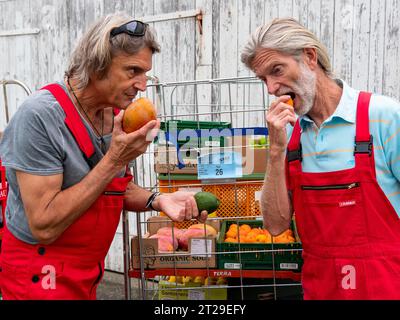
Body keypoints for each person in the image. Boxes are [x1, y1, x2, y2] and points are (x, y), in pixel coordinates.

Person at [0, 14, 208, 300]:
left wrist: (158, 200)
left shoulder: (115, 115)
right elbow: (44, 224)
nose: (143, 85)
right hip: (39, 272)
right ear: (97, 64)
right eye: (132, 71)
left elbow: (115, 187)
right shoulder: (40, 117)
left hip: (86, 274)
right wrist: (114, 158)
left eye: (145, 73)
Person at [241, 18, 400, 300]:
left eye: (276, 70)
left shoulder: (383, 117)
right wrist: (276, 151)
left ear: (309, 57)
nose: (271, 87)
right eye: (263, 78)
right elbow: (276, 226)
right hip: (321, 289)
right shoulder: (291, 140)